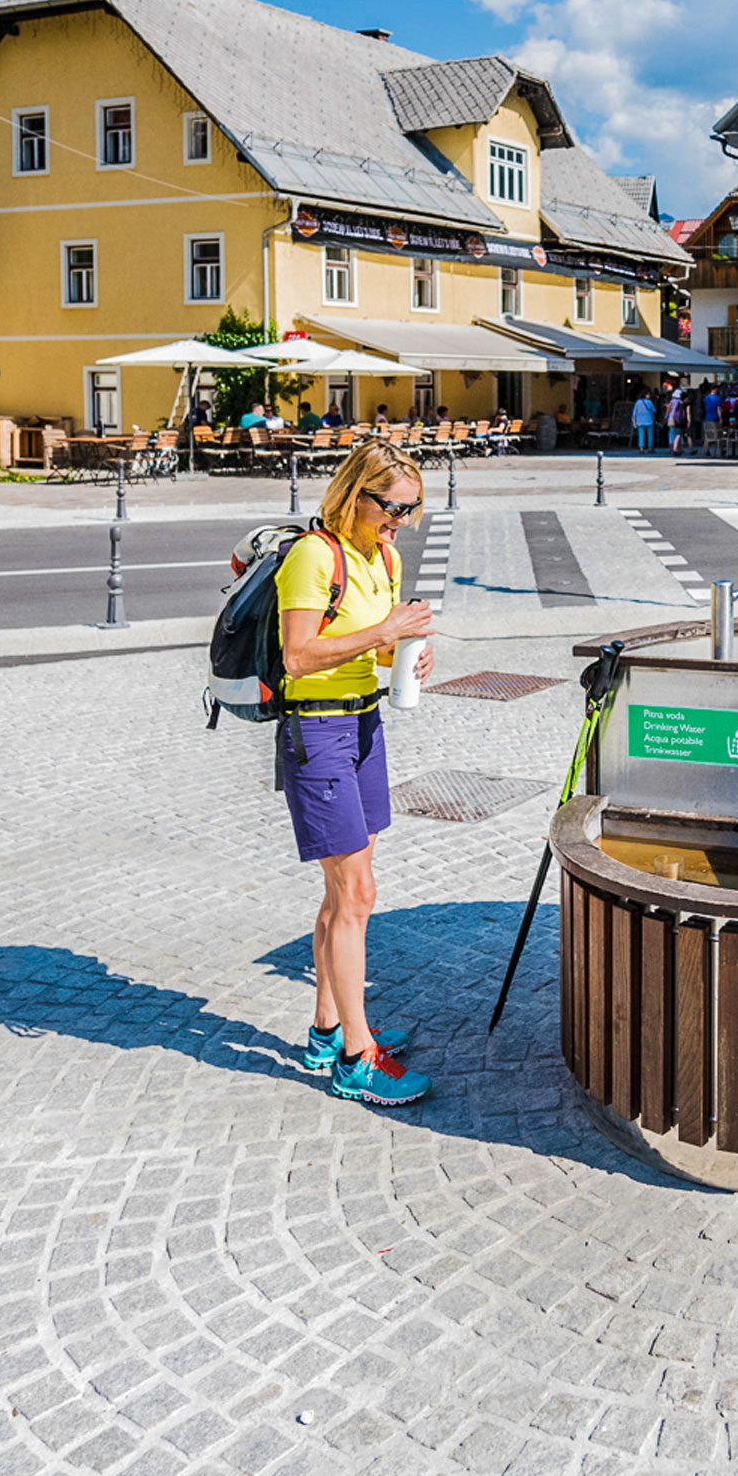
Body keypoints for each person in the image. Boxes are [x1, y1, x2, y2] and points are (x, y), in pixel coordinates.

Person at [276, 437, 436, 1105]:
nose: (401, 520)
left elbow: (364, 652)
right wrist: (382, 635)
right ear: (356, 493)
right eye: (393, 507)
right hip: (318, 734)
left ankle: (327, 1028)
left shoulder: (385, 557)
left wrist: (401, 661)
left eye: (411, 509)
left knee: (345, 893)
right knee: (357, 895)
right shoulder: (313, 556)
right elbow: (298, 657)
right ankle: (355, 1058)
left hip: (364, 722)